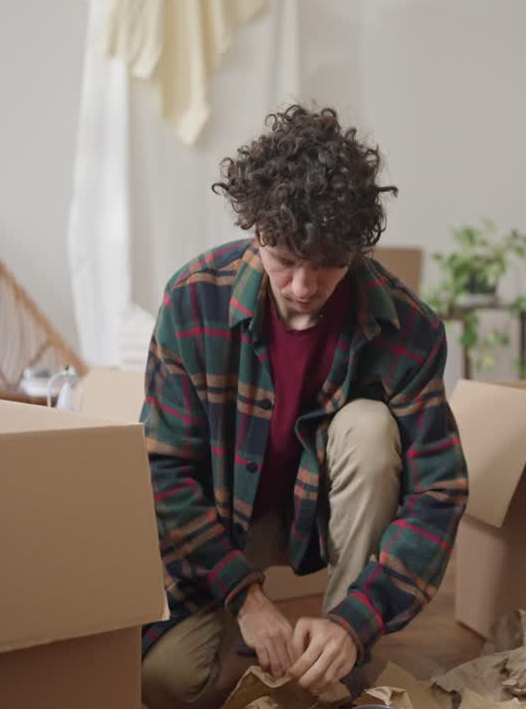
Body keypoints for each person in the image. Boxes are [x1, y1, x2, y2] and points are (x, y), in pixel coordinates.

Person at [139, 104, 468, 709]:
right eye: (285, 260)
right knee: (165, 683)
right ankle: (268, 643)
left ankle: (339, 658)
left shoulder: (409, 328)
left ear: (357, 249)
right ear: (256, 231)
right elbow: (163, 471)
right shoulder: (193, 301)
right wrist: (245, 598)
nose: (302, 287)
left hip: (318, 517)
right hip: (220, 523)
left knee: (369, 427)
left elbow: (438, 492)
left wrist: (358, 619)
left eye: (327, 264)